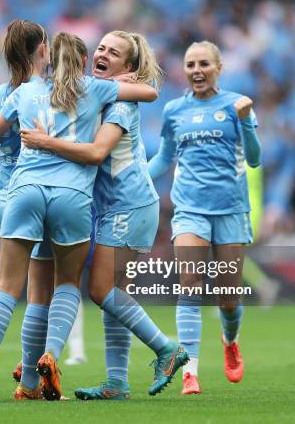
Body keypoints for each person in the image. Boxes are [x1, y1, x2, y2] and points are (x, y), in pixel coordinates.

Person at [0, 31, 158, 401]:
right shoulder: (91, 89)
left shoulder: (18, 92)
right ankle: (48, 360)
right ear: (79, 61)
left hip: (19, 194)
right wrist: (116, 81)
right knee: (66, 285)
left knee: (12, 287)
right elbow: (149, 93)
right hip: (70, 197)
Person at [20, 31, 188, 400]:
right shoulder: (99, 96)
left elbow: (97, 153)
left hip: (129, 204)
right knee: (117, 297)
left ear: (127, 67)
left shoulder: (120, 106)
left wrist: (46, 141)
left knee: (100, 290)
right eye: (101, 48)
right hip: (116, 206)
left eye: (114, 53)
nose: (103, 54)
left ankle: (166, 348)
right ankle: (117, 382)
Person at [147, 40, 261, 395]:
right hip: (190, 210)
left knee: (228, 297)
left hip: (230, 210)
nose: (196, 70)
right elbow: (165, 158)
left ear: (218, 68)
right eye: (191, 64)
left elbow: (254, 159)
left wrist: (247, 124)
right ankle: (190, 370)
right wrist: (135, 181)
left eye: (203, 64)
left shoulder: (236, 105)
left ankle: (230, 341)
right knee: (190, 286)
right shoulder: (175, 111)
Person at [0, 19, 56, 400]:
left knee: (4, 286)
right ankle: (29, 382)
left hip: (4, 198)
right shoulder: (48, 91)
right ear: (43, 50)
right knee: (39, 292)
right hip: (40, 193)